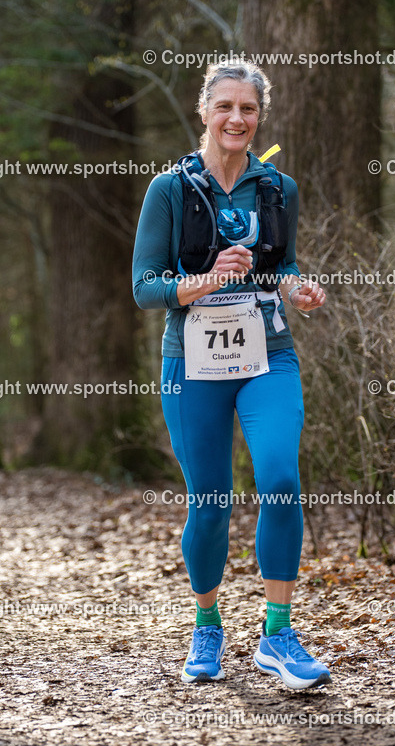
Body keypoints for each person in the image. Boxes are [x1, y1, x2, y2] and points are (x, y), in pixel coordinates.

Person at [132, 61, 331, 690]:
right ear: (204, 111)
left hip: (268, 352)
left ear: (259, 116)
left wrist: (298, 286)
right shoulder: (169, 190)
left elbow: (285, 261)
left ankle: (277, 635)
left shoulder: (279, 189)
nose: (237, 119)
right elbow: (144, 287)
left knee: (278, 478)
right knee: (210, 503)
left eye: (248, 109)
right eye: (225, 107)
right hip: (190, 363)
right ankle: (208, 623)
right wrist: (210, 279)